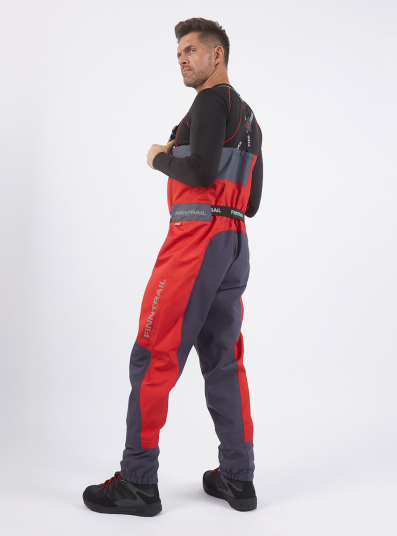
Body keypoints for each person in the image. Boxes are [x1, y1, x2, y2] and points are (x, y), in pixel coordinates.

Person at [82, 17, 263, 517]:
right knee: (224, 360)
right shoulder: (250, 119)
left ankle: (137, 483)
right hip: (233, 243)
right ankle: (238, 477)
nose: (182, 59)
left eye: (191, 50)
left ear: (217, 55)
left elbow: (199, 172)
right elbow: (252, 203)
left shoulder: (209, 101)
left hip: (195, 238)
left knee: (153, 353)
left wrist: (159, 157)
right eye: (178, 53)